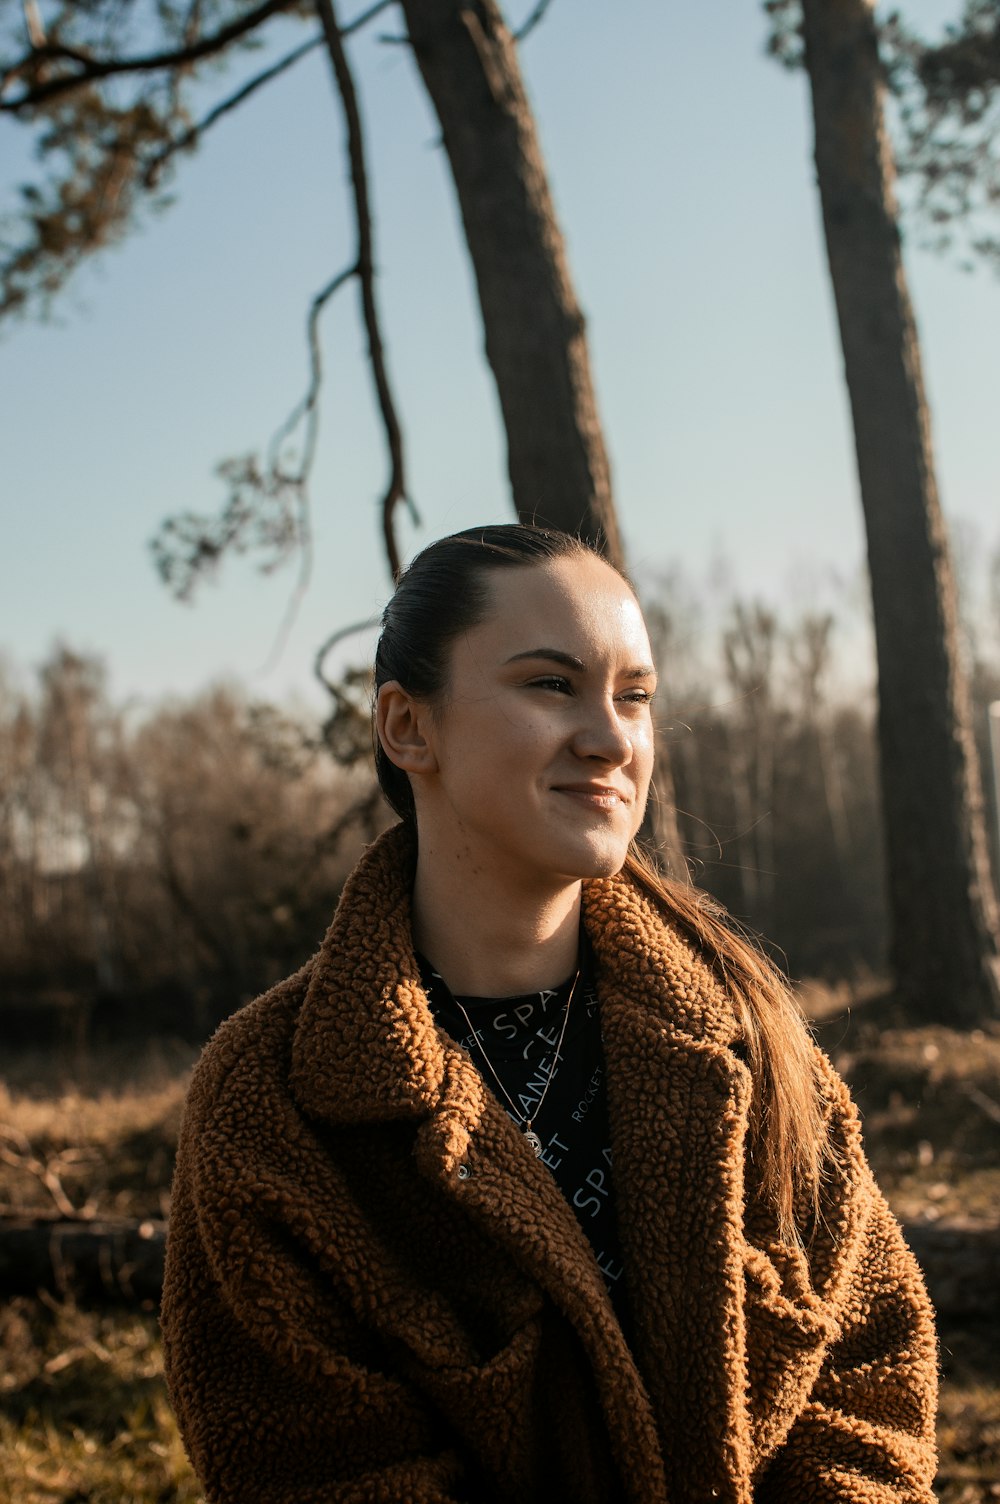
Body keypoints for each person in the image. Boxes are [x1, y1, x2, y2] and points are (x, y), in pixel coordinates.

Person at [161, 524, 938, 1504]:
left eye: (634, 696)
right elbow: (320, 1470)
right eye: (549, 684)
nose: (612, 738)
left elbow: (866, 1382)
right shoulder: (273, 1098)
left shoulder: (744, 1034)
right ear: (408, 727)